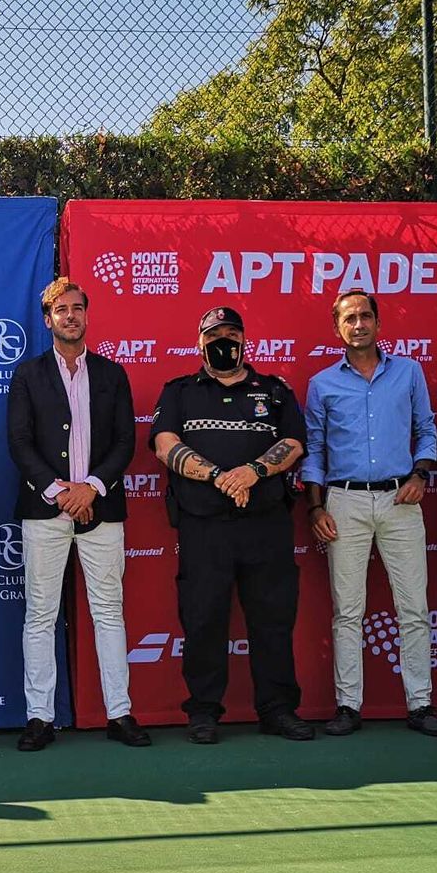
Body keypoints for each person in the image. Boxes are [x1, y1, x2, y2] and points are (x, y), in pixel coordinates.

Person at [150, 306, 311, 744]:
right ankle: (203, 711)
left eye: (232, 334)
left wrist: (253, 472)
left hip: (266, 525)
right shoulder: (181, 392)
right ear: (200, 341)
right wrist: (220, 476)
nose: (224, 341)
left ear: (245, 340)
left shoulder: (274, 391)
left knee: (273, 619)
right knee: (203, 619)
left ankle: (278, 710)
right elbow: (165, 444)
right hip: (205, 527)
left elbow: (294, 443)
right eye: (214, 334)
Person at [7, 277, 149, 751]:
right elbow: (20, 443)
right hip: (45, 510)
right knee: (40, 614)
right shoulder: (28, 375)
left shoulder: (112, 375)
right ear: (47, 320)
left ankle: (120, 713)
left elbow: (126, 441)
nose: (71, 316)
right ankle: (39, 718)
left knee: (109, 612)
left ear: (87, 315)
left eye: (78, 308)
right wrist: (58, 492)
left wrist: (89, 488)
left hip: (101, 509)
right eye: (61, 310)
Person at [302, 288, 437, 737]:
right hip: (343, 501)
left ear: (378, 323)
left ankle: (421, 705)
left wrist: (421, 475)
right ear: (337, 328)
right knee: (348, 611)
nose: (359, 324)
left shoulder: (408, 372)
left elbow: (426, 429)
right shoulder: (322, 383)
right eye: (350, 318)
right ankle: (348, 706)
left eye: (366, 316)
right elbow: (314, 450)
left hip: (399, 498)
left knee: (414, 608)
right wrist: (314, 507)